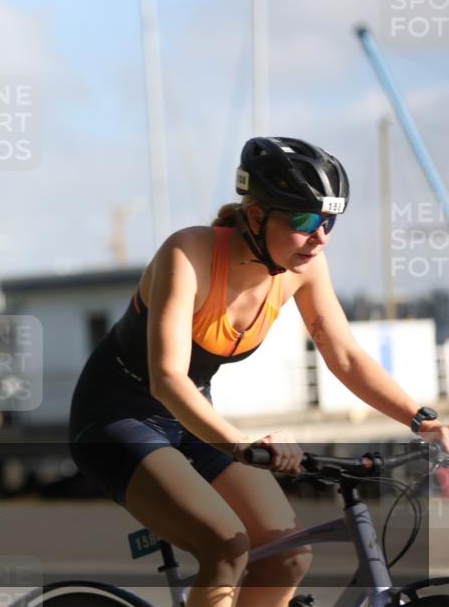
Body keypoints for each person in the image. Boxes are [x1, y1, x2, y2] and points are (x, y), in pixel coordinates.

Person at [68, 136, 449, 607]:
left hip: (190, 421)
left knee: (289, 554)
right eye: (305, 219)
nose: (320, 236)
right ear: (255, 217)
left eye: (329, 221)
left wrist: (422, 420)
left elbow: (345, 356)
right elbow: (167, 378)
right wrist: (240, 442)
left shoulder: (305, 267)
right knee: (226, 545)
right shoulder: (189, 254)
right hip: (114, 418)